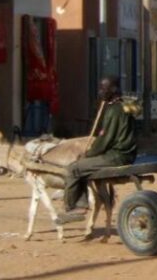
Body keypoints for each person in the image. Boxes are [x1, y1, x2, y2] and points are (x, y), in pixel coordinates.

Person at [59, 77, 137, 223]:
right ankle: (81, 203)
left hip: (117, 155)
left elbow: (105, 139)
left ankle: (73, 207)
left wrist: (88, 153)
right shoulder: (126, 105)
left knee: (73, 168)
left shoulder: (114, 110)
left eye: (104, 89)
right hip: (126, 153)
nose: (101, 92)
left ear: (114, 90)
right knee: (83, 165)